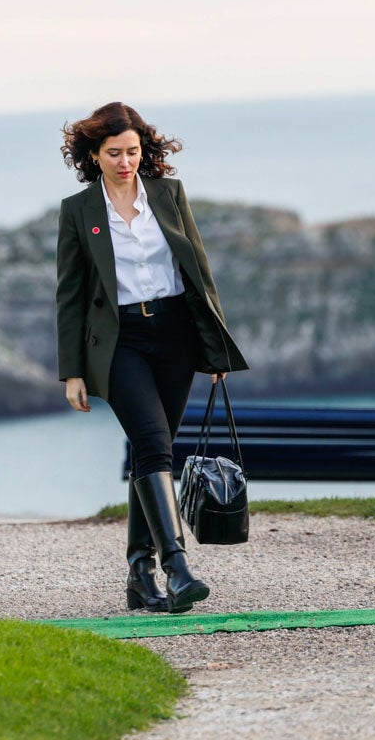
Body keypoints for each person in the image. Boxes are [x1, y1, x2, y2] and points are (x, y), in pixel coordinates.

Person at [55, 102, 248, 614]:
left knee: (153, 452)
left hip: (176, 335)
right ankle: (177, 567)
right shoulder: (78, 211)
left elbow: (199, 271)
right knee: (153, 443)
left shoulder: (169, 194)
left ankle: (140, 574)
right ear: (93, 155)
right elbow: (69, 295)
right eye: (114, 153)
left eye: (133, 151)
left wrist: (215, 344)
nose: (125, 162)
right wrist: (71, 371)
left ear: (145, 150)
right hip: (119, 342)